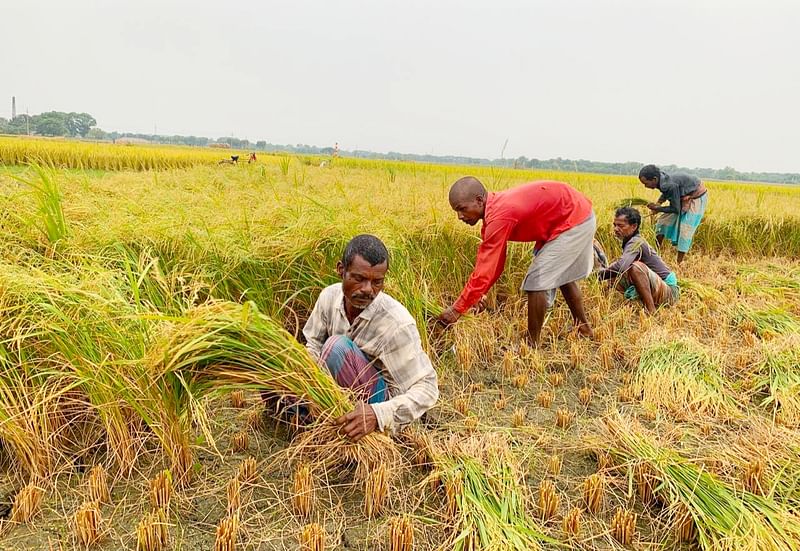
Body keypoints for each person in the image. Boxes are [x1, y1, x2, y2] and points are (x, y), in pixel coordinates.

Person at [302, 234, 439, 442]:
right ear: (341, 270)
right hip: (341, 392)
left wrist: (378, 414)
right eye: (359, 279)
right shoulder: (328, 297)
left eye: (377, 282)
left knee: (336, 348)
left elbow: (427, 387)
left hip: (379, 406)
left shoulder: (397, 324)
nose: (368, 290)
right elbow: (312, 345)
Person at [436, 177, 596, 345]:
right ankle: (584, 329)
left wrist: (456, 309)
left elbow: (485, 271)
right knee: (560, 274)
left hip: (574, 218)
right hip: (569, 214)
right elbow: (494, 265)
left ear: (479, 200)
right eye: (456, 211)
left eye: (462, 209)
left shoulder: (500, 216)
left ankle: (531, 343)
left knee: (536, 281)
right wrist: (479, 295)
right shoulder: (493, 213)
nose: (460, 216)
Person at [597, 207, 679, 313]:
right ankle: (605, 300)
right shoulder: (631, 240)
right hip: (658, 286)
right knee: (613, 270)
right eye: (615, 225)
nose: (616, 229)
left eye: (621, 226)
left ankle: (651, 310)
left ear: (634, 226)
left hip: (669, 292)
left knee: (635, 267)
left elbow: (621, 266)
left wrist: (598, 276)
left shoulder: (635, 242)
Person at [639, 164, 708, 264]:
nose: (646, 186)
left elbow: (675, 209)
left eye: (646, 183)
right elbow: (666, 192)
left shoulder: (668, 184)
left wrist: (658, 208)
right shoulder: (661, 179)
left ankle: (679, 263)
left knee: (685, 229)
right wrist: (658, 203)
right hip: (682, 196)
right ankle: (656, 254)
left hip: (696, 196)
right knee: (662, 223)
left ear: (654, 179)